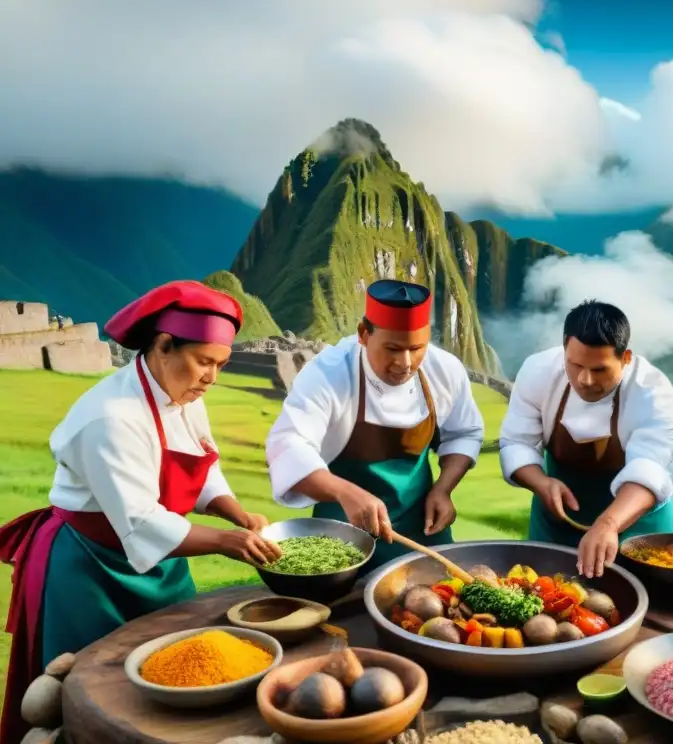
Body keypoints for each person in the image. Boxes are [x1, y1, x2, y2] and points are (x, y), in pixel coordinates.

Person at [0, 280, 282, 744]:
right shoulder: (110, 418)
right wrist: (229, 543)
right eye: (204, 362)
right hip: (92, 568)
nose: (211, 377)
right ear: (164, 345)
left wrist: (237, 515)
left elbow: (201, 465)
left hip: (164, 563)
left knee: (181, 671)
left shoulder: (185, 395)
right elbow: (140, 520)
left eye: (221, 365)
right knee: (95, 691)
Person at [265, 279, 485, 574]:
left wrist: (443, 489)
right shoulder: (329, 373)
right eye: (392, 349)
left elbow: (464, 433)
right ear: (363, 334)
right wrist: (345, 492)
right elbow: (288, 444)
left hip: (421, 527)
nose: (405, 363)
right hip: (342, 531)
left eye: (417, 348)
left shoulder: (444, 369)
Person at [499, 300, 673, 579]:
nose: (584, 379)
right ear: (564, 347)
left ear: (626, 357)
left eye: (599, 370)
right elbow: (517, 443)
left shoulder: (652, 392)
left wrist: (608, 523)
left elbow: (651, 468)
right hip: (556, 523)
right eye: (574, 365)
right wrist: (541, 483)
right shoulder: (538, 372)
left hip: (638, 527)